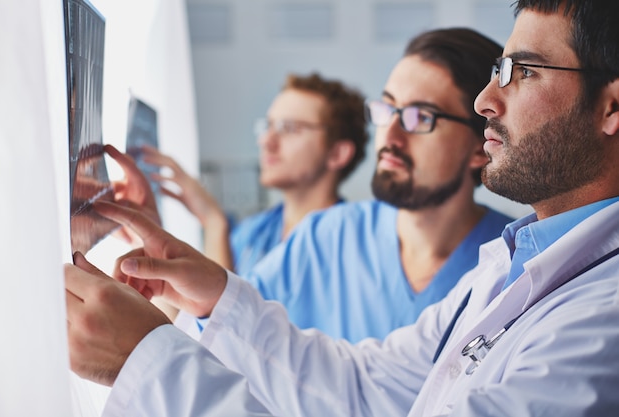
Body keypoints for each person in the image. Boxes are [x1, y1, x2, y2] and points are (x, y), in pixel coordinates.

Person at [65, 1, 619, 416]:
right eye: (388, 110)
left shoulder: (600, 324)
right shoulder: (507, 264)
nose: (486, 102)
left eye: (525, 72)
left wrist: (150, 364)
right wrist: (216, 295)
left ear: (612, 106)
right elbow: (365, 384)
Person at [211, 28, 514, 343]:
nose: (391, 137)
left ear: (481, 147)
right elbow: (223, 329)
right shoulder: (325, 238)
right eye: (388, 110)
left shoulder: (514, 262)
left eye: (421, 117)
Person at [140, 72, 369, 275]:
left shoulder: (355, 244)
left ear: (337, 153)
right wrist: (153, 234)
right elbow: (195, 319)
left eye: (288, 128)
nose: (265, 141)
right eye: (268, 126)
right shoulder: (252, 233)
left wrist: (214, 222)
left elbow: (229, 317)